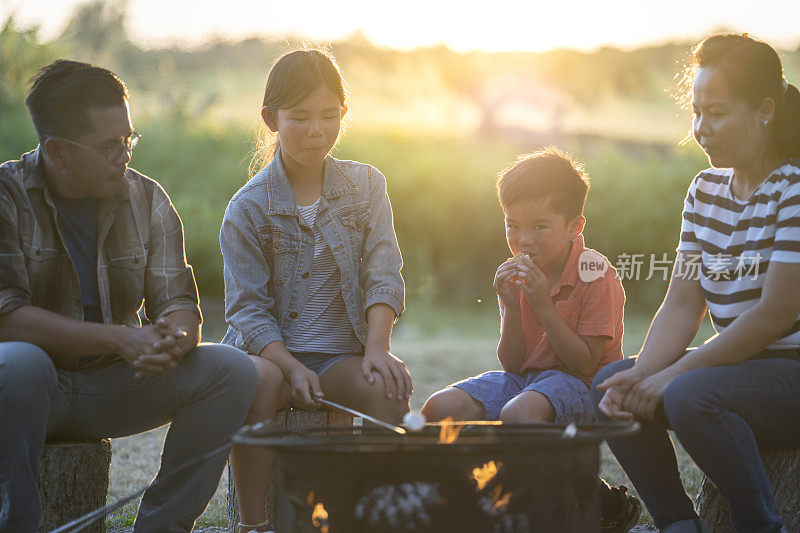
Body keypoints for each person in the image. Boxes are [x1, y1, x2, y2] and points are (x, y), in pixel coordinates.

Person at [0, 60, 258, 532]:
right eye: (108, 147)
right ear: (57, 152)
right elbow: (7, 320)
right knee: (19, 364)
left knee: (233, 369)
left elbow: (180, 302)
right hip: (28, 392)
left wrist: (173, 338)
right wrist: (119, 339)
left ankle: (162, 527)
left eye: (128, 140)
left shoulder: (148, 198)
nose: (124, 156)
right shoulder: (6, 196)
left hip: (113, 387)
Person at [592, 33, 800, 533]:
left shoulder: (793, 190)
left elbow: (774, 315)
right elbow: (684, 304)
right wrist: (644, 371)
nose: (701, 129)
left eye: (718, 113)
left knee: (690, 395)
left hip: (789, 372)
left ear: (765, 110)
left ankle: (759, 525)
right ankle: (679, 524)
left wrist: (671, 379)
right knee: (610, 384)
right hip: (731, 367)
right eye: (696, 112)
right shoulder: (704, 191)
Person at [220, 48, 411, 533]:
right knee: (257, 382)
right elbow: (248, 310)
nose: (315, 131)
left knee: (388, 388)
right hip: (273, 361)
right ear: (271, 120)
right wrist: (291, 366)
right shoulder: (248, 209)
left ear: (344, 115)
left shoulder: (367, 186)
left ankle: (373, 516)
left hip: (338, 358)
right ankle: (254, 524)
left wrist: (377, 348)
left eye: (329, 116)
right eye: (299, 117)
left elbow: (384, 269)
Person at [421, 147, 640, 532]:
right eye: (512, 226)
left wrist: (542, 305)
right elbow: (513, 364)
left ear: (575, 225)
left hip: (583, 385)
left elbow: (583, 363)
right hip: (529, 381)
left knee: (519, 415)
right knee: (438, 408)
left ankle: (588, 500)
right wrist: (511, 302)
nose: (523, 239)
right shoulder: (521, 274)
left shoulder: (596, 275)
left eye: (540, 227)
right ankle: (460, 504)